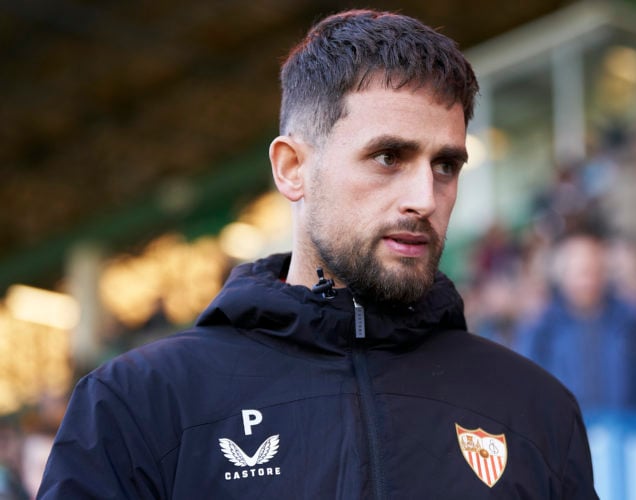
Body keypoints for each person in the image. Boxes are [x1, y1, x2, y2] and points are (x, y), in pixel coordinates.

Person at [38, 10, 598, 499]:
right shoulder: (140, 404)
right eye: (387, 157)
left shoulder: (534, 410)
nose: (425, 198)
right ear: (292, 169)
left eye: (446, 165)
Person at [515, 232, 636, 414]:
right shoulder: (542, 326)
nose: (589, 281)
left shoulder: (631, 320)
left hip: (624, 430)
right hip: (563, 432)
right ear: (563, 276)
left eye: (595, 271)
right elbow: (527, 383)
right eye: (581, 273)